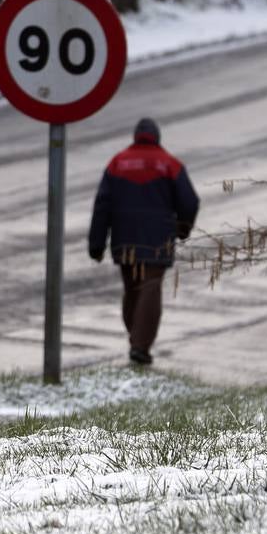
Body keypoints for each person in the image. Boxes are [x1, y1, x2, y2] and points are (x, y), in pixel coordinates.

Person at [88, 118, 199, 365]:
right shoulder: (170, 164)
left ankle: (136, 338)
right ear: (157, 137)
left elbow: (102, 205)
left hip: (124, 241)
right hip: (157, 240)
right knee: (150, 287)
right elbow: (190, 201)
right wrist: (182, 229)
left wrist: (96, 244)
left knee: (132, 289)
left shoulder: (118, 163)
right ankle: (140, 344)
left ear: (135, 136)